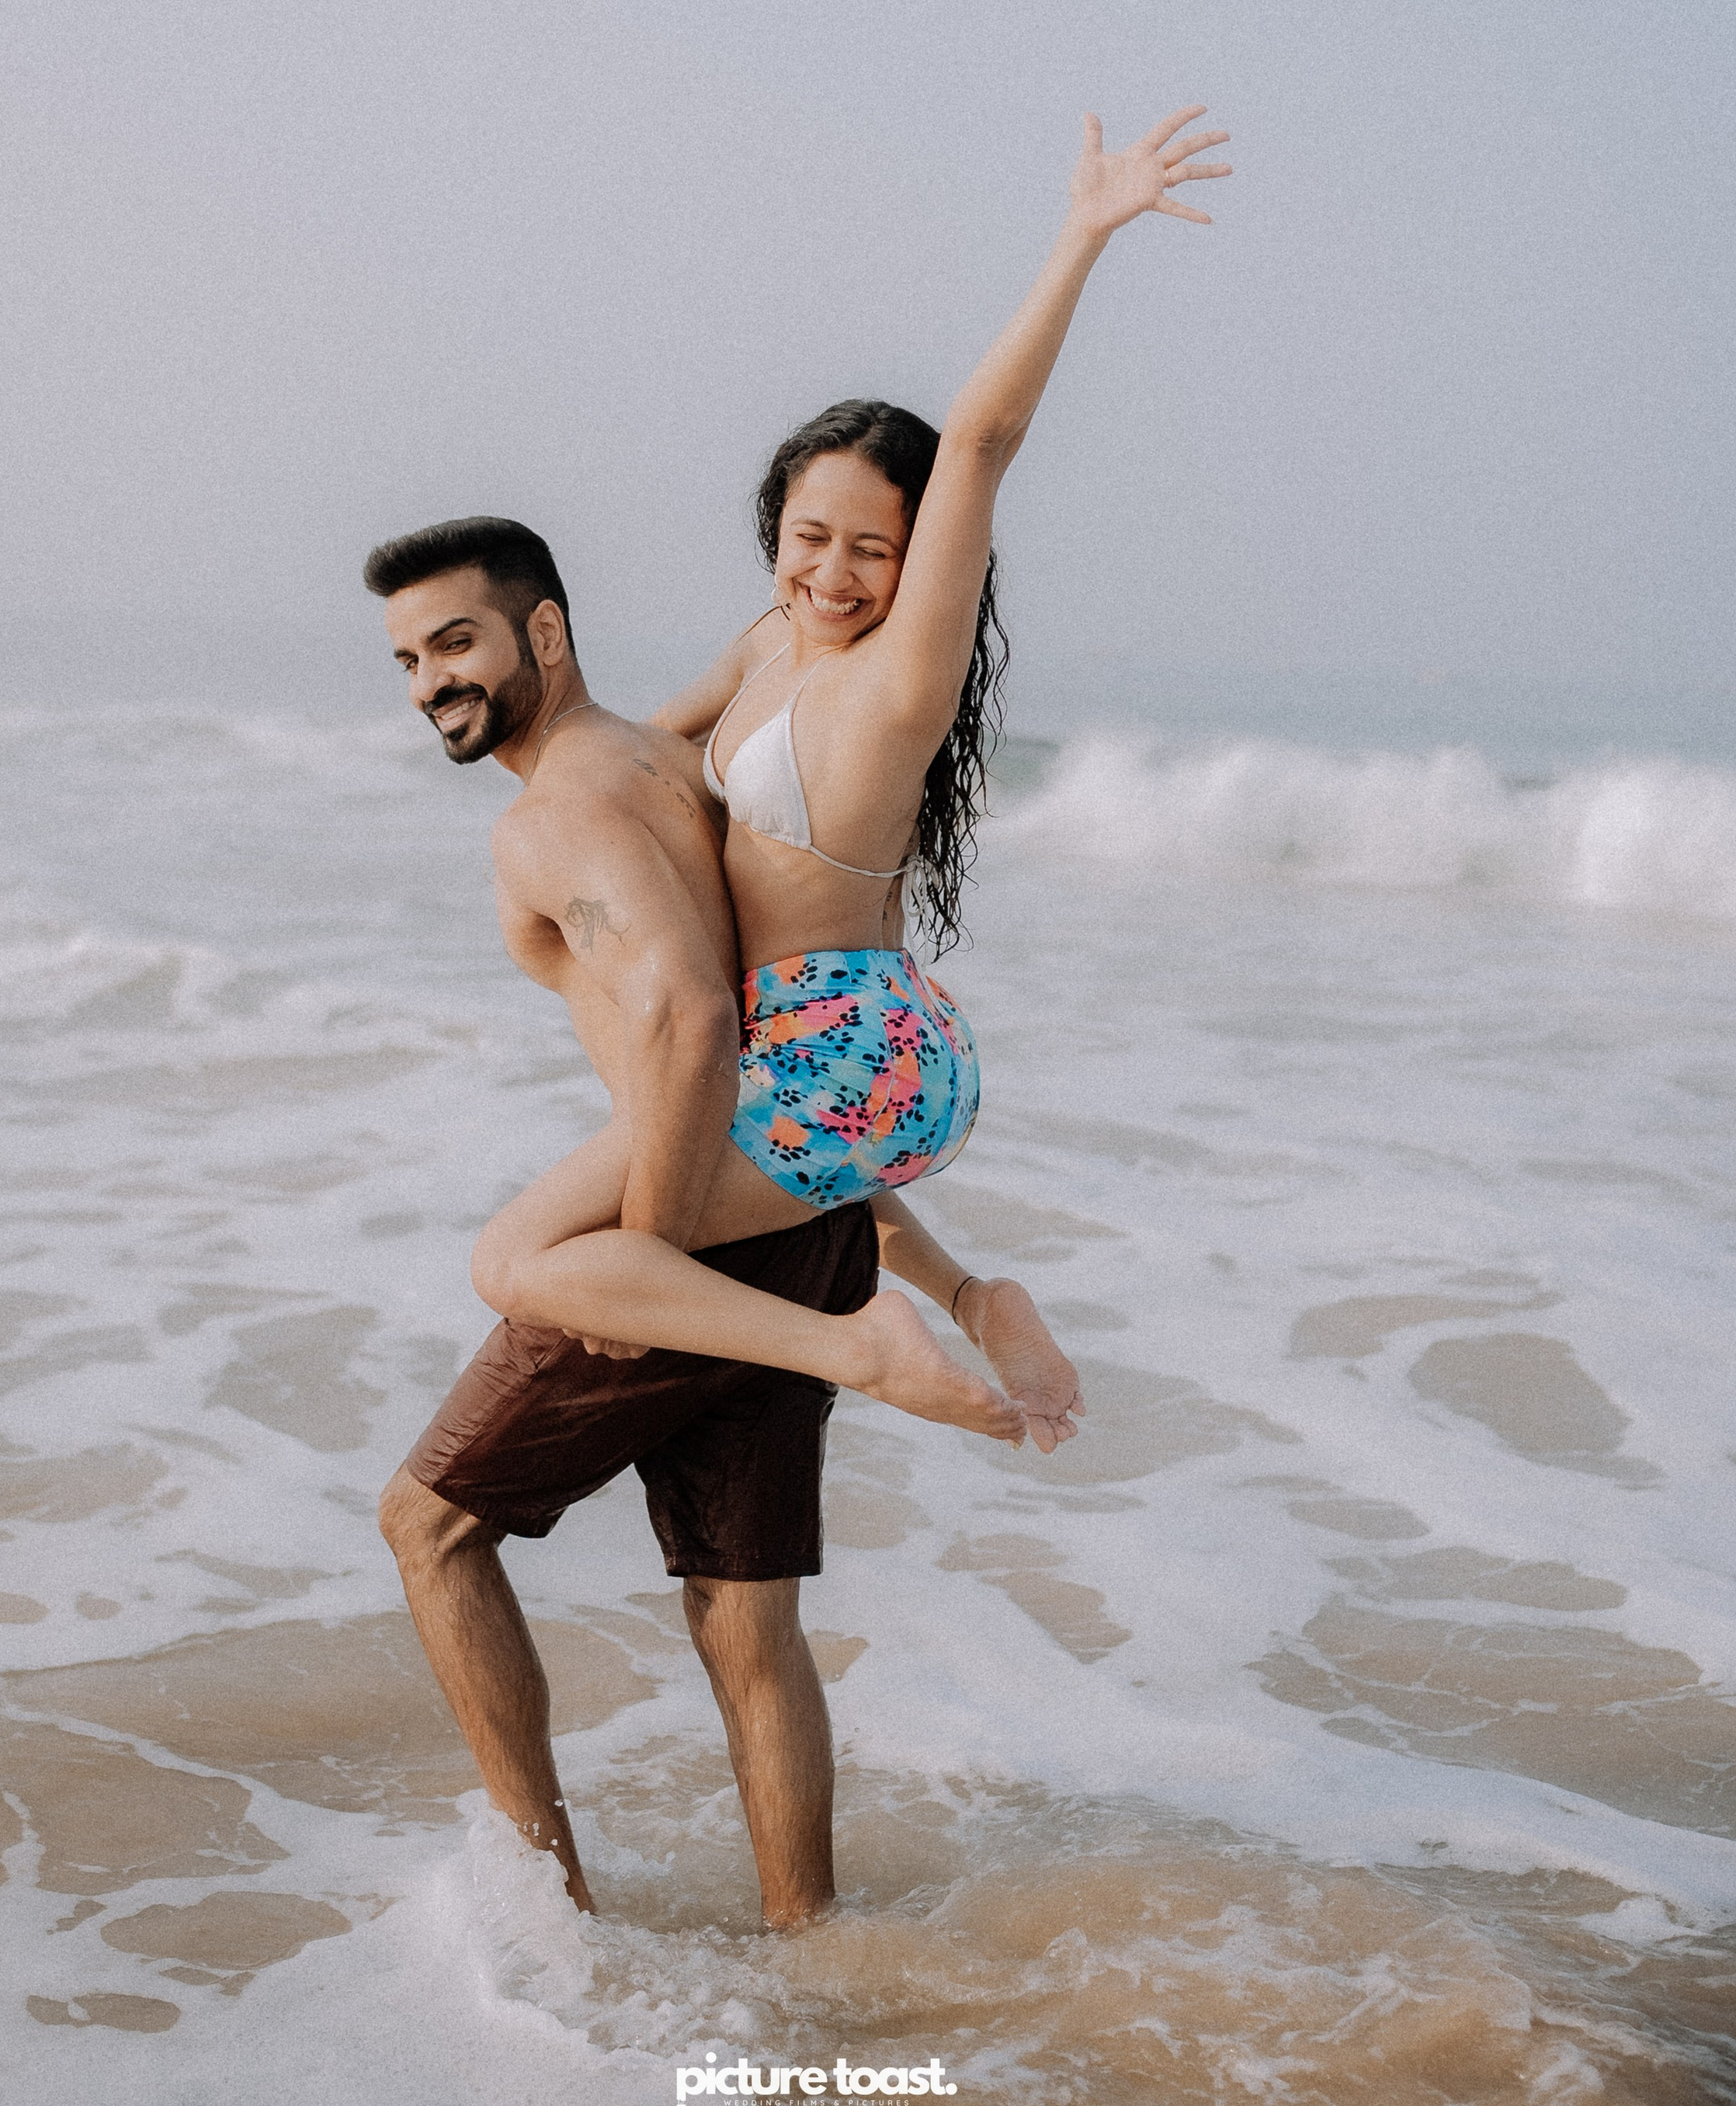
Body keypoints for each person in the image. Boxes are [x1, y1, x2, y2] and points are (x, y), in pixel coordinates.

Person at [464, 104, 1229, 1402]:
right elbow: (643, 748)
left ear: (914, 561)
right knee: (655, 1043)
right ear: (778, 524)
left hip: (851, 1047)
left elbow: (980, 440)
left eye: (872, 550)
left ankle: (860, 1347)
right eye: (810, 535)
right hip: (831, 1041)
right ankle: (975, 1298)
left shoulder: (894, 686)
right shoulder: (773, 641)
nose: (832, 572)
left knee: (524, 1257)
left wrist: (1083, 236)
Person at [372, 518, 1071, 1924]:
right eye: (405, 658)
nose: (428, 682)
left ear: (545, 636)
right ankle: (809, 1946)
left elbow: (693, 1016)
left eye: (457, 642)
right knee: (748, 1624)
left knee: (431, 1526)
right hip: (804, 1217)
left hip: (688, 1225)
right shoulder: (663, 755)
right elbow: (767, 661)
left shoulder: (550, 818)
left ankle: (549, 1919)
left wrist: (655, 1241)